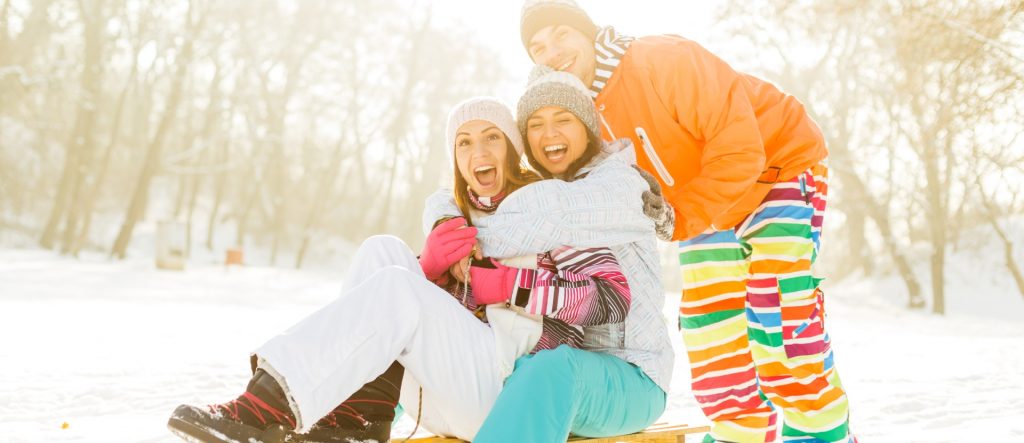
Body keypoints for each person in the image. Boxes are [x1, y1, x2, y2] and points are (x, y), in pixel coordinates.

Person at [166, 97, 639, 443]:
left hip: (511, 392)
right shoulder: (457, 220)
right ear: (455, 158)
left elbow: (612, 298)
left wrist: (511, 286)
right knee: (383, 253)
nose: (479, 151)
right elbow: (407, 315)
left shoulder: (549, 211)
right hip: (449, 389)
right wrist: (429, 267)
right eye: (465, 142)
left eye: (492, 137)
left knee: (397, 285)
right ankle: (356, 421)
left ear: (512, 150)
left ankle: (266, 405)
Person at [517, 1, 855, 442]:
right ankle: (740, 433)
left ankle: (820, 433)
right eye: (537, 46)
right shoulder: (577, 115)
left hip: (777, 168)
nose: (553, 50)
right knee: (710, 327)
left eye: (561, 34)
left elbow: (739, 146)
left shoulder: (661, 60)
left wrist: (680, 219)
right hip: (701, 203)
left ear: (588, 32)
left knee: (778, 311)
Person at [423, 65, 674, 442]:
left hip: (633, 375)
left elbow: (544, 216)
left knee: (550, 369)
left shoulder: (613, 184)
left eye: (563, 119)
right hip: (554, 369)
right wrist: (446, 214)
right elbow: (488, 199)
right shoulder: (540, 190)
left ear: (587, 127)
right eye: (535, 124)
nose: (549, 134)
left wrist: (457, 224)